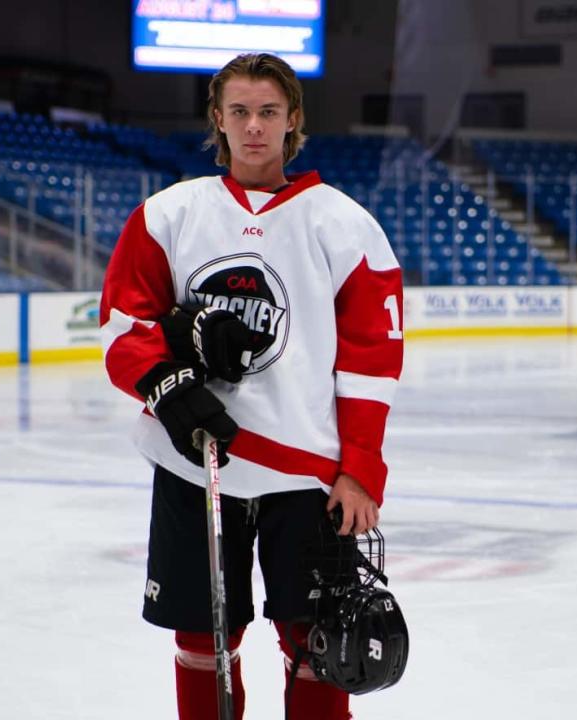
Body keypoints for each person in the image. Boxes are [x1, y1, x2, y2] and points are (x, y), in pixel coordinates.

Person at [99, 52, 404, 720]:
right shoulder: (167, 215)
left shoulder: (346, 226)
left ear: (294, 120)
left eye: (269, 112)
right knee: (202, 638)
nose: (255, 127)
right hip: (195, 460)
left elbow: (372, 362)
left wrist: (360, 470)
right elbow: (124, 325)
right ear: (218, 119)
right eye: (239, 112)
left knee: (317, 635)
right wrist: (170, 388)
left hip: (307, 475)